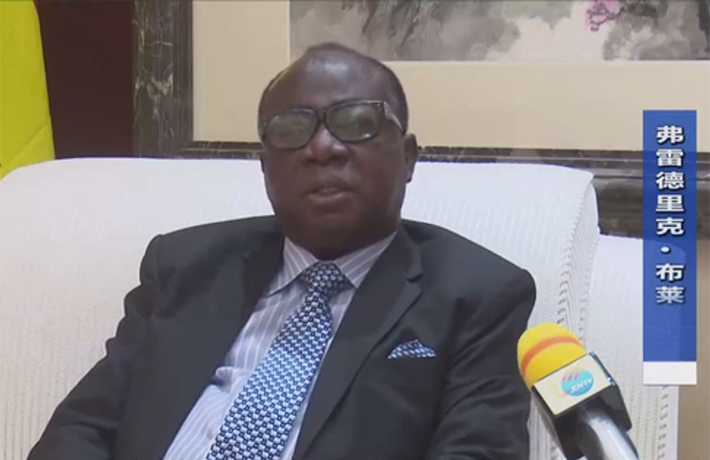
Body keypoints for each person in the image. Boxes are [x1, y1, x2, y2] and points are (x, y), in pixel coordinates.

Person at [27, 42, 536, 460]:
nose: (322, 148)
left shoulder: (478, 295)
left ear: (408, 157)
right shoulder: (184, 265)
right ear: (265, 166)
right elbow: (81, 429)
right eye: (292, 130)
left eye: (356, 122)